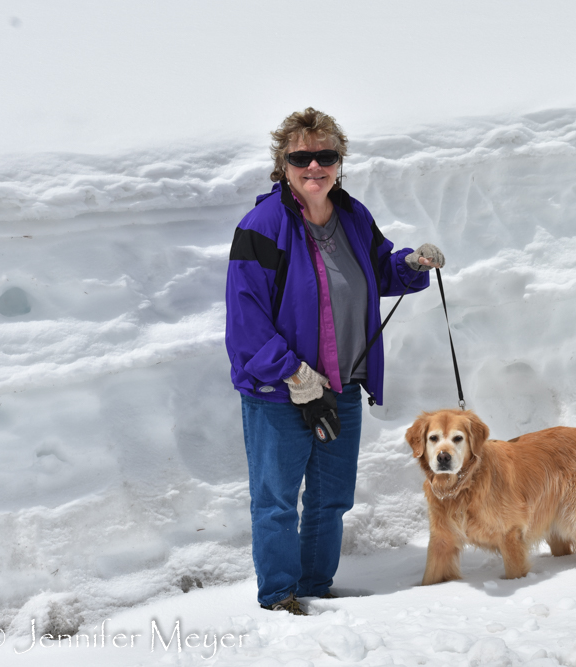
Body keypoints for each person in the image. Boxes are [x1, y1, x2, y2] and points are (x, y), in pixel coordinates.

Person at [225, 108, 444, 615]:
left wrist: (411, 264)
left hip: (340, 385)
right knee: (277, 501)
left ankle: (315, 588)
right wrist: (295, 375)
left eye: (326, 156)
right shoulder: (262, 226)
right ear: (282, 164)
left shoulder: (352, 216)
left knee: (331, 498)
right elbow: (246, 320)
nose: (314, 167)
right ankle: (280, 598)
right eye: (301, 157)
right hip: (280, 392)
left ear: (339, 161)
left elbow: (378, 270)